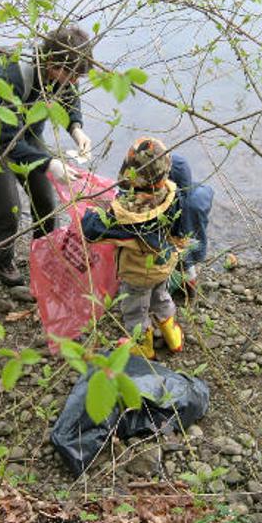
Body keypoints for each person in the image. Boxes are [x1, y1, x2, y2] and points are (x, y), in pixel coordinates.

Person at [0, 25, 94, 287]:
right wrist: (49, 163)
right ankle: (2, 260)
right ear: (51, 62)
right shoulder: (13, 74)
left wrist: (76, 128)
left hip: (27, 133)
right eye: (70, 74)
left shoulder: (62, 73)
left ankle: (44, 253)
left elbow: (69, 96)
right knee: (8, 211)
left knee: (45, 201)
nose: (74, 80)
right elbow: (5, 140)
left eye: (77, 76)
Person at [80, 137, 190, 359]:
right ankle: (172, 336)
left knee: (135, 308)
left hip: (137, 273)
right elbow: (181, 228)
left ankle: (143, 346)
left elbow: (91, 231)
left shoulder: (127, 214)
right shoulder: (172, 194)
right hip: (164, 264)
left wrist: (90, 214)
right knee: (161, 296)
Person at [167, 153, 214, 297]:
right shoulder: (200, 193)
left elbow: (179, 232)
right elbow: (208, 191)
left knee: (185, 260)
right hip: (197, 230)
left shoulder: (177, 204)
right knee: (193, 253)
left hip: (185, 234)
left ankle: (189, 292)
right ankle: (191, 289)